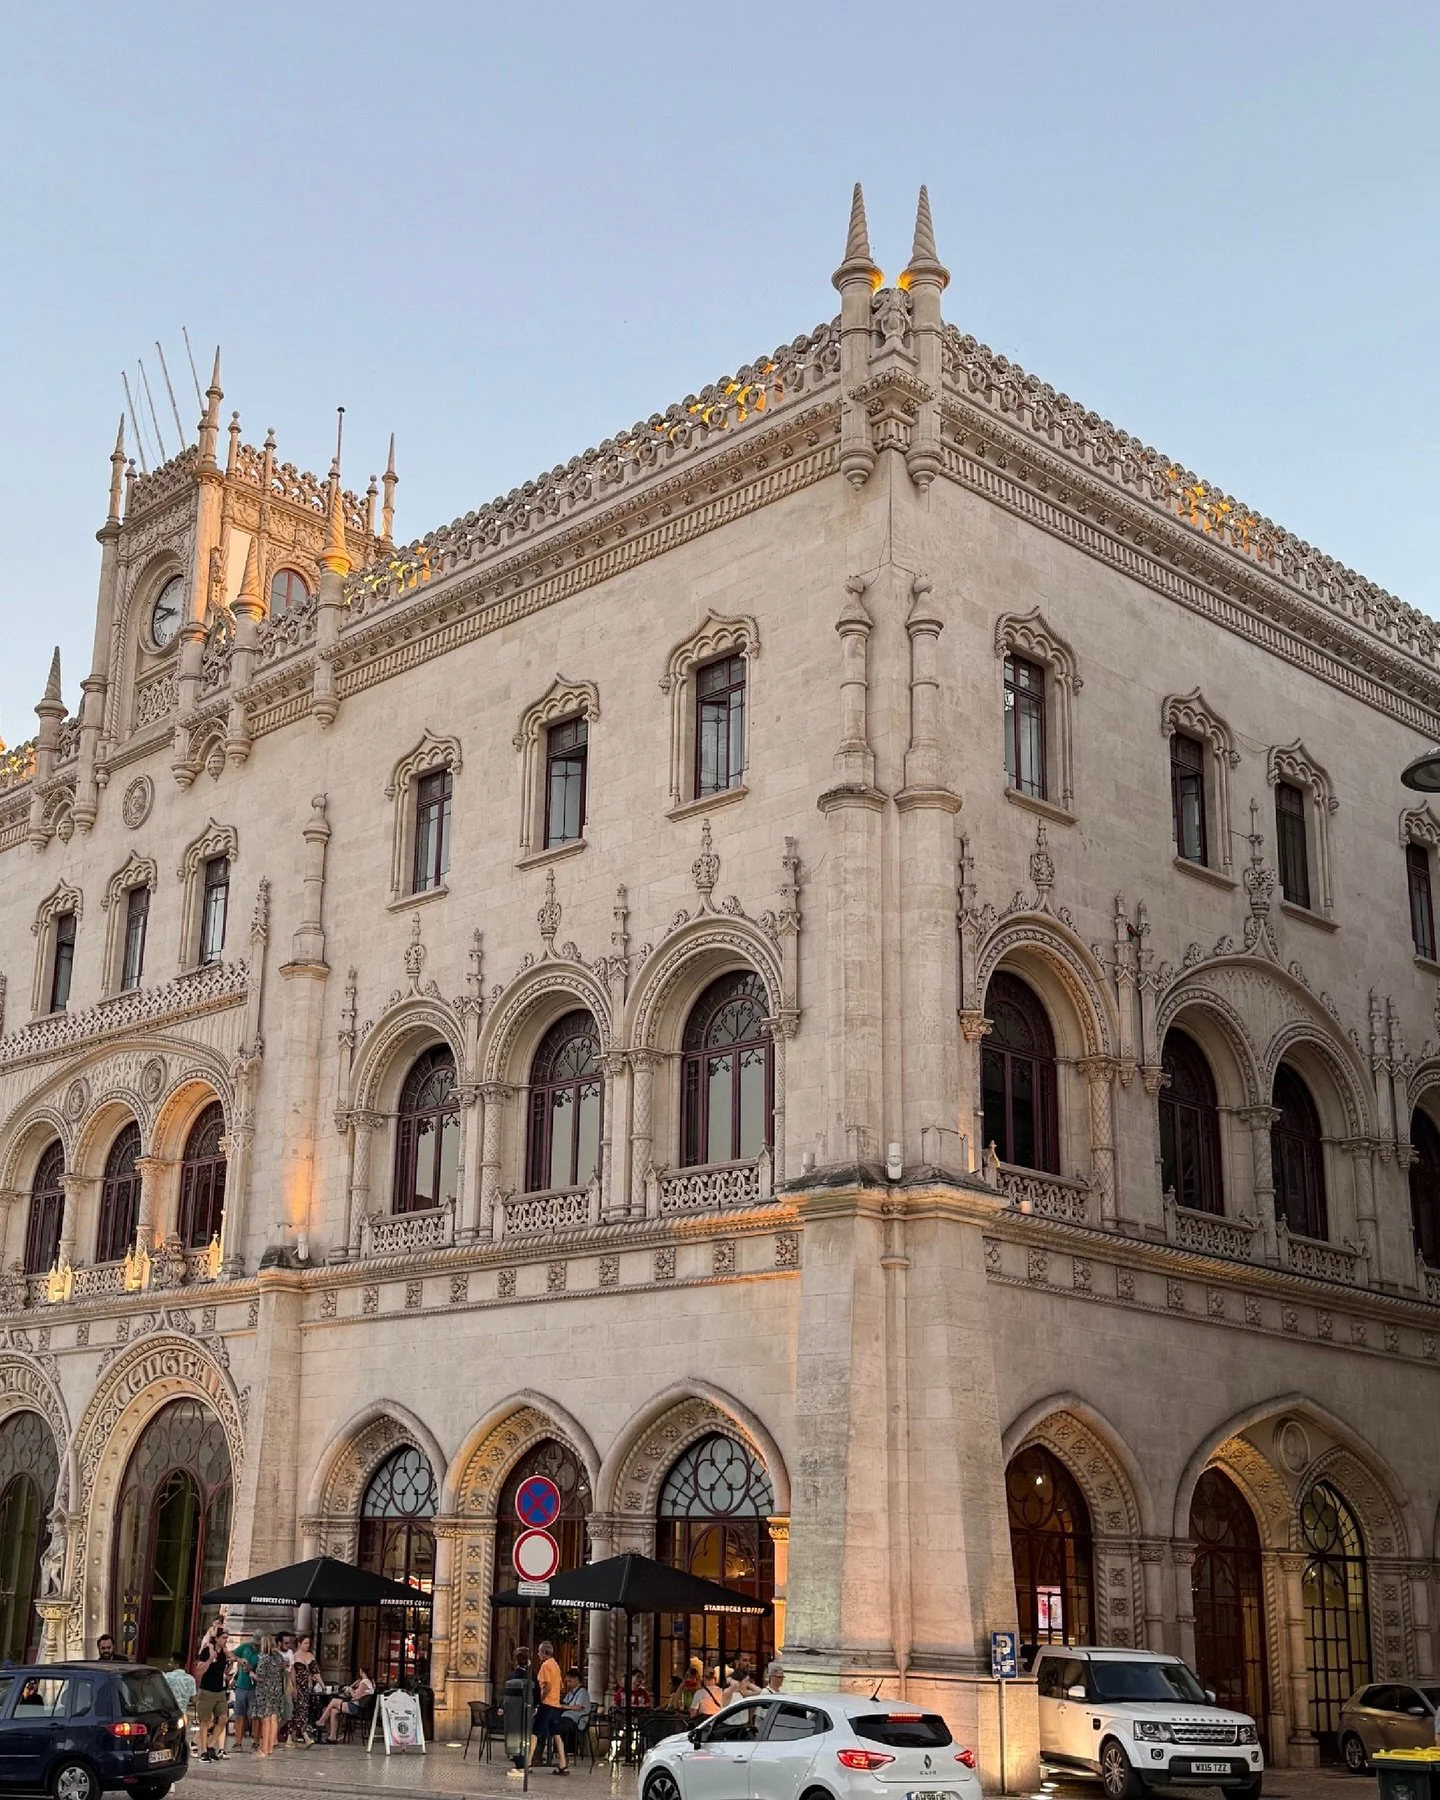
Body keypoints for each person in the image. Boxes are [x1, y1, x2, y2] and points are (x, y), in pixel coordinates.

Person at [194, 1624, 231, 1762]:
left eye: (227, 1638)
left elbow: (226, 1665)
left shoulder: (223, 1652)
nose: (225, 1640)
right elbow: (199, 1670)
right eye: (223, 1638)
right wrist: (210, 1659)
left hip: (220, 1690)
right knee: (205, 1721)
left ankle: (210, 1745)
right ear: (216, 1638)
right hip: (207, 1690)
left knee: (223, 1719)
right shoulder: (206, 1650)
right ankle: (202, 1750)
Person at [504, 1647, 541, 1776]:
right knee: (526, 1735)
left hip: (514, 1712)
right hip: (527, 1710)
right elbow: (537, 1694)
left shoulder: (512, 1675)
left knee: (515, 1735)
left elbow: (506, 1695)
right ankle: (523, 1762)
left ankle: (519, 1762)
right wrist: (536, 1706)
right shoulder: (532, 1675)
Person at [534, 1640, 569, 1775]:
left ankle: (527, 1763)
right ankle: (563, 1764)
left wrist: (540, 1699)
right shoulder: (556, 1665)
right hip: (556, 1705)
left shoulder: (545, 1665)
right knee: (556, 1734)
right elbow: (559, 1686)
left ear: (544, 1653)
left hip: (547, 1704)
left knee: (534, 1733)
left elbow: (547, 1685)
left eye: (539, 1651)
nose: (537, 1654)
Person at [316, 1668, 374, 1743]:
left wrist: (350, 1689)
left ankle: (322, 1720)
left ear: (362, 1671)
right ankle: (332, 1737)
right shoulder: (369, 1682)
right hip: (359, 1707)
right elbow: (359, 1695)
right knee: (333, 1711)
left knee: (333, 1701)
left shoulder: (365, 1682)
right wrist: (351, 1689)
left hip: (355, 1707)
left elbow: (355, 1697)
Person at [253, 1635, 286, 1758]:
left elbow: (260, 1675)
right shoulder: (278, 1657)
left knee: (265, 1720)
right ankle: (271, 1746)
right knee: (273, 1718)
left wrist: (252, 1674)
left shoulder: (263, 1658)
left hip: (265, 1690)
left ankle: (264, 1749)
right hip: (276, 1690)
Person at [291, 1634, 320, 1746]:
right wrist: (293, 1687)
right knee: (300, 1710)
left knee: (302, 1710)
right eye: (305, 1643)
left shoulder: (310, 1655)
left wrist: (321, 1684)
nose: (307, 1645)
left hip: (307, 1686)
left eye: (309, 1643)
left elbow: (315, 1671)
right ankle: (305, 1735)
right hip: (298, 1686)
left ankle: (291, 1736)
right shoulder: (294, 1656)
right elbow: (292, 1672)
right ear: (299, 1643)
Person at [231, 1632, 258, 1750]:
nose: (254, 1646)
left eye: (257, 1644)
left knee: (255, 1716)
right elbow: (232, 1654)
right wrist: (240, 1660)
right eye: (253, 1643)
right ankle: (238, 1742)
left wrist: (252, 1668)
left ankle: (256, 1740)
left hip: (254, 1687)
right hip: (241, 1685)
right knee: (239, 1714)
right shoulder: (245, 1647)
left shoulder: (263, 1652)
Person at [558, 1668, 590, 1755]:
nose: (568, 1684)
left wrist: (563, 1706)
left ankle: (567, 1750)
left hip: (576, 1719)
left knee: (561, 1727)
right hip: (567, 1717)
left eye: (570, 1681)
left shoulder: (582, 1692)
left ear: (576, 1679)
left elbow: (578, 1707)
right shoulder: (570, 1693)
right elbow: (565, 1702)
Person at [164, 1651, 196, 1720]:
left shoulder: (166, 1677)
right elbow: (193, 1699)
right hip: (182, 1714)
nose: (168, 1664)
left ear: (176, 1665)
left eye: (171, 1663)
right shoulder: (191, 1679)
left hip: (167, 1713)